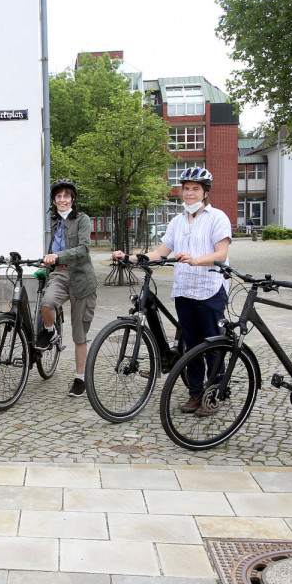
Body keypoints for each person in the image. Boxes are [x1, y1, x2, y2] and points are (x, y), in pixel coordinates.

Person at [115, 167, 231, 416]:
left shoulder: (217, 218)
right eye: (186, 189)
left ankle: (215, 393)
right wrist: (130, 257)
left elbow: (221, 254)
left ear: (205, 192)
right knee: (191, 345)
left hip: (210, 289)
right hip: (184, 291)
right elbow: (160, 253)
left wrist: (196, 260)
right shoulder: (177, 222)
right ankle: (195, 393)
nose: (189, 193)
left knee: (211, 343)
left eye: (195, 189)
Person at [39, 179, 98, 398]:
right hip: (60, 274)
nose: (62, 200)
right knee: (47, 303)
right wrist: (45, 262)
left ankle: (80, 378)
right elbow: (51, 250)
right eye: (58, 196)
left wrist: (58, 256)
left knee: (78, 335)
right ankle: (50, 331)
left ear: (72, 199)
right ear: (54, 200)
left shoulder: (81, 219)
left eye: (66, 196)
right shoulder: (54, 223)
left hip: (82, 279)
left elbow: (83, 249)